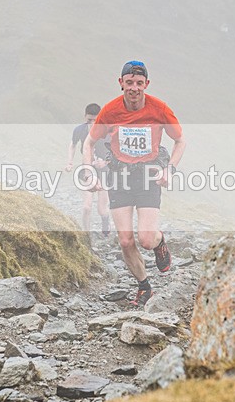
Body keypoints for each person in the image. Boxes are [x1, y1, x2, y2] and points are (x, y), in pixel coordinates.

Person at [83, 60, 186, 307]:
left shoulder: (160, 109)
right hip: (119, 176)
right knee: (126, 241)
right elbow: (89, 143)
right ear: (121, 83)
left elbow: (180, 140)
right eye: (129, 83)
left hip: (148, 176)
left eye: (139, 83)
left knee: (146, 239)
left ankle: (160, 242)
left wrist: (170, 169)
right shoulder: (110, 111)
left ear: (146, 84)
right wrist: (89, 172)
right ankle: (144, 287)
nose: (134, 88)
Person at [66, 103, 111, 236]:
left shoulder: (108, 131)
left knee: (102, 209)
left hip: (104, 171)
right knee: (86, 207)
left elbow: (116, 150)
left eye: (95, 120)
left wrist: (106, 162)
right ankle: (86, 234)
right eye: (89, 120)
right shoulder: (79, 130)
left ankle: (106, 224)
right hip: (87, 169)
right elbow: (73, 144)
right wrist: (70, 162)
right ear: (85, 117)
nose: (92, 123)